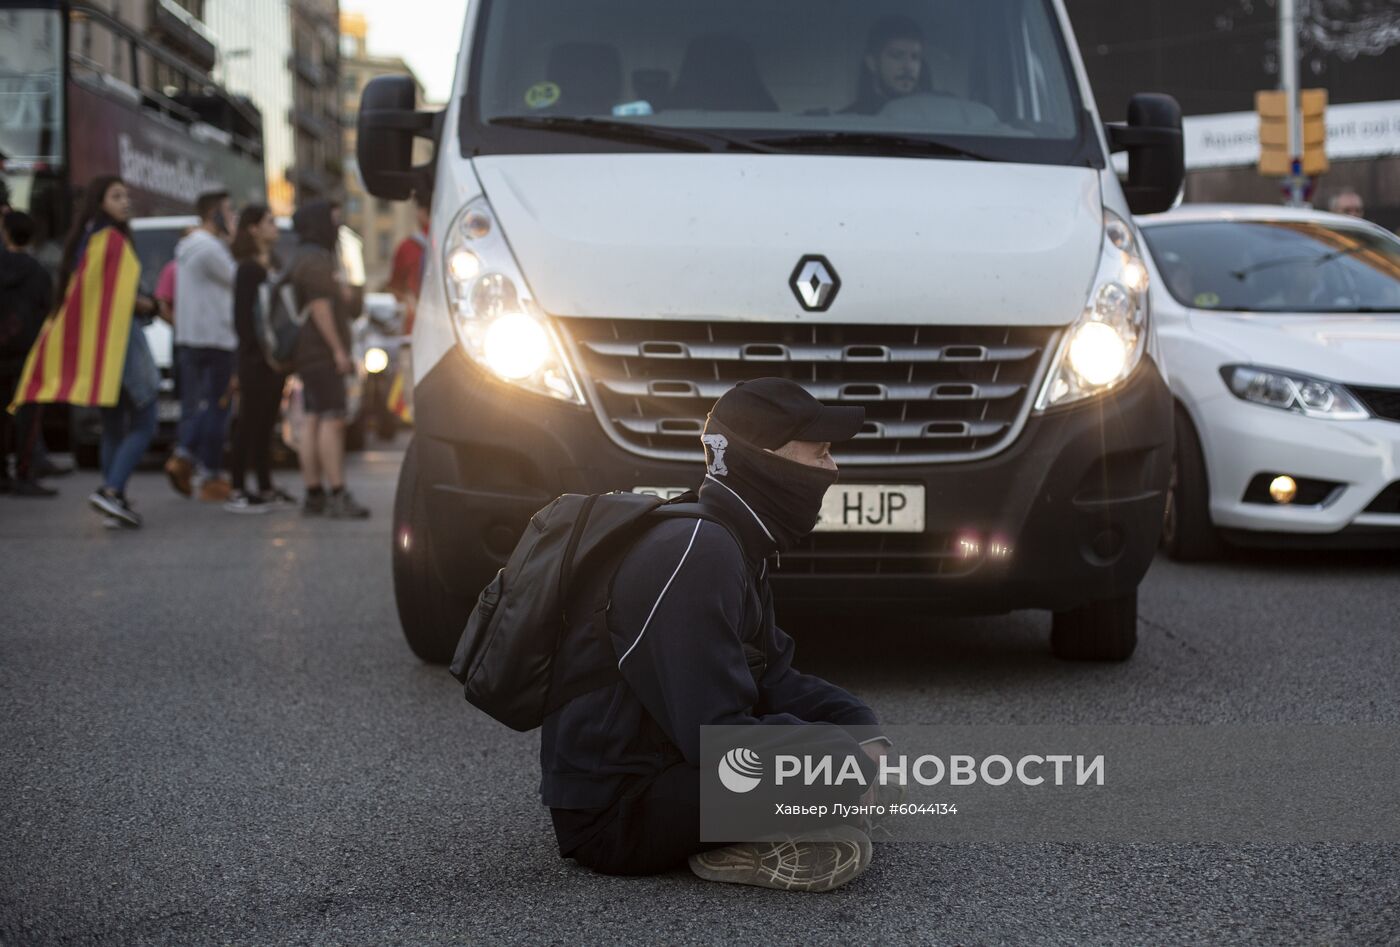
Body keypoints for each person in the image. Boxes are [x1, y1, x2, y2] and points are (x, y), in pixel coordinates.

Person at [542, 378, 886, 891]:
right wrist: (843, 758)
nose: (833, 469)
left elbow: (774, 677)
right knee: (838, 771)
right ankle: (740, 847)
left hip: (670, 769)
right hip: (615, 814)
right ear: (770, 462)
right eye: (821, 453)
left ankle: (797, 809)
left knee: (849, 755)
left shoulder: (733, 540)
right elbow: (718, 739)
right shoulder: (698, 553)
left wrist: (861, 727)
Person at [8, 176, 159, 528]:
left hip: (102, 347)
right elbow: (120, 296)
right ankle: (111, 490)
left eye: (126, 196)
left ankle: (114, 498)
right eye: (116, 196)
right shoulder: (111, 240)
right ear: (99, 201)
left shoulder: (87, 240)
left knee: (113, 426)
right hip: (124, 340)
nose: (125, 202)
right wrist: (149, 305)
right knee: (145, 418)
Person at [289, 200, 369, 519]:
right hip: (322, 353)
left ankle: (314, 493)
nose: (337, 226)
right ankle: (337, 492)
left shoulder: (303, 258)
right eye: (333, 220)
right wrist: (338, 350)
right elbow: (321, 309)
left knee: (313, 419)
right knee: (332, 420)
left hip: (308, 353)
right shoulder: (318, 261)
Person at [165, 190, 237, 502]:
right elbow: (238, 279)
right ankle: (197, 465)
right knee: (217, 406)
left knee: (199, 405)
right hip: (217, 338)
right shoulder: (210, 249)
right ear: (214, 214)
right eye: (229, 211)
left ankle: (199, 466)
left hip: (191, 338)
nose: (232, 217)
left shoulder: (189, 247)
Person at [224, 205, 294, 514]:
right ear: (253, 228)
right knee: (249, 423)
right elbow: (243, 319)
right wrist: (255, 355)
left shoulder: (273, 264)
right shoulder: (247, 269)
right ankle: (237, 488)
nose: (275, 227)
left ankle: (264, 486)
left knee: (266, 424)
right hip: (256, 360)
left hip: (275, 359)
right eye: (269, 222)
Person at [1, 211, 57, 497]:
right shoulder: (39, 272)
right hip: (29, 354)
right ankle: (25, 473)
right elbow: (48, 311)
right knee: (28, 417)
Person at [842, 16, 931, 115]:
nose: (908, 66)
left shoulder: (936, 117)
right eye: (897, 56)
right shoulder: (848, 121)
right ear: (872, 63)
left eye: (915, 57)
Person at [387, 192, 430, 336]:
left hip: (416, 328)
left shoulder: (408, 247)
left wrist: (407, 298)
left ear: (422, 212)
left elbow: (395, 287)